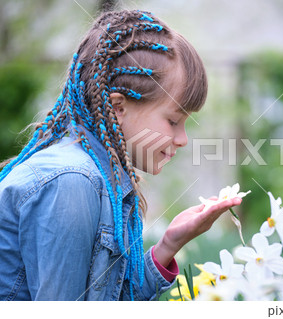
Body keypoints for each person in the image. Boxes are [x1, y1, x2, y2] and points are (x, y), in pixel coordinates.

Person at [0, 9, 242, 301]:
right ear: (118, 107)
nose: (183, 139)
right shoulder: (73, 183)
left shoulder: (106, 181)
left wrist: (168, 245)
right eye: (173, 121)